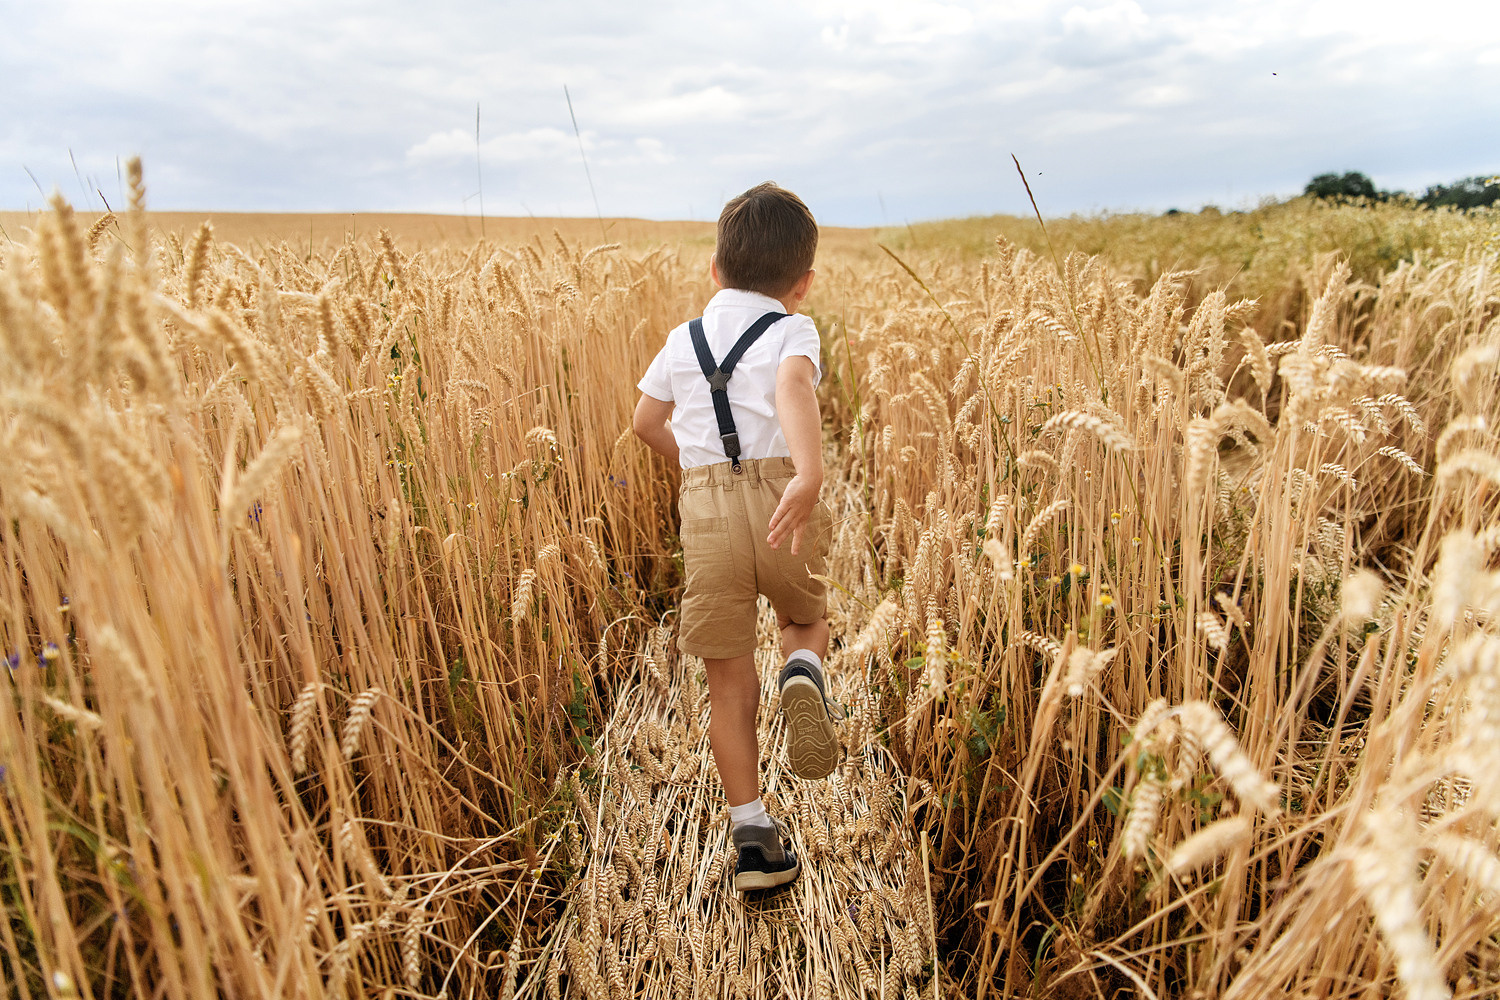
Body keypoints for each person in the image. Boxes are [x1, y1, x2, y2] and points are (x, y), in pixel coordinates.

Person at [632, 182, 840, 891]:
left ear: (716, 270)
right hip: (782, 499)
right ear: (802, 284)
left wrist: (698, 467)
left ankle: (752, 836)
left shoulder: (681, 340)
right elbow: (792, 388)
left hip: (707, 511)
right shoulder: (792, 330)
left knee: (727, 683)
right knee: (804, 619)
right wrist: (808, 473)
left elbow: (643, 422)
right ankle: (802, 670)